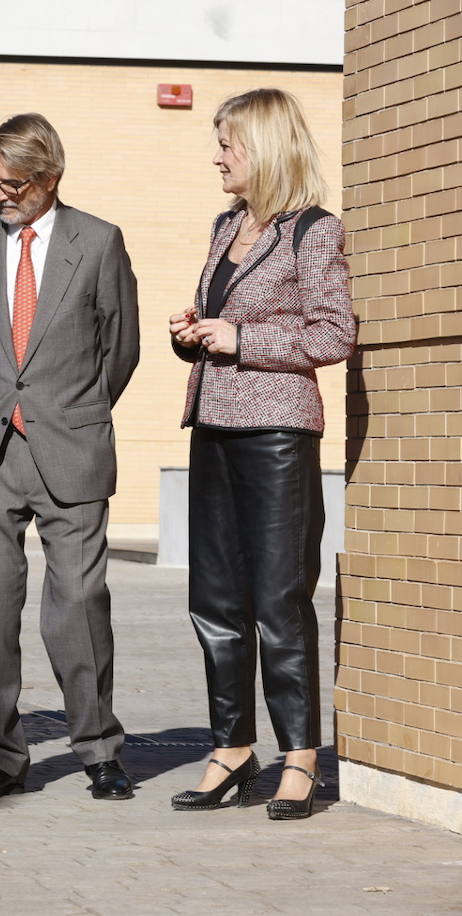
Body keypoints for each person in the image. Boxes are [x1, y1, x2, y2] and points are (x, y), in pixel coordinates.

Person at [0, 113, 140, 802]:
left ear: (49, 179)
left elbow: (121, 347)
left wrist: (68, 410)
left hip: (71, 450)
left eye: (12, 182)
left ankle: (99, 751)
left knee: (78, 606)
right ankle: (0, 759)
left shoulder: (100, 242)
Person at [168, 88, 354, 820]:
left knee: (279, 599)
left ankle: (300, 755)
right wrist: (196, 328)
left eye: (229, 144)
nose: (217, 156)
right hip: (213, 424)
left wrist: (242, 339)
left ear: (266, 149)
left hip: (277, 433)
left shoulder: (314, 231)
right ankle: (233, 749)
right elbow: (226, 317)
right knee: (214, 598)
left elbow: (333, 335)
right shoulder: (225, 226)